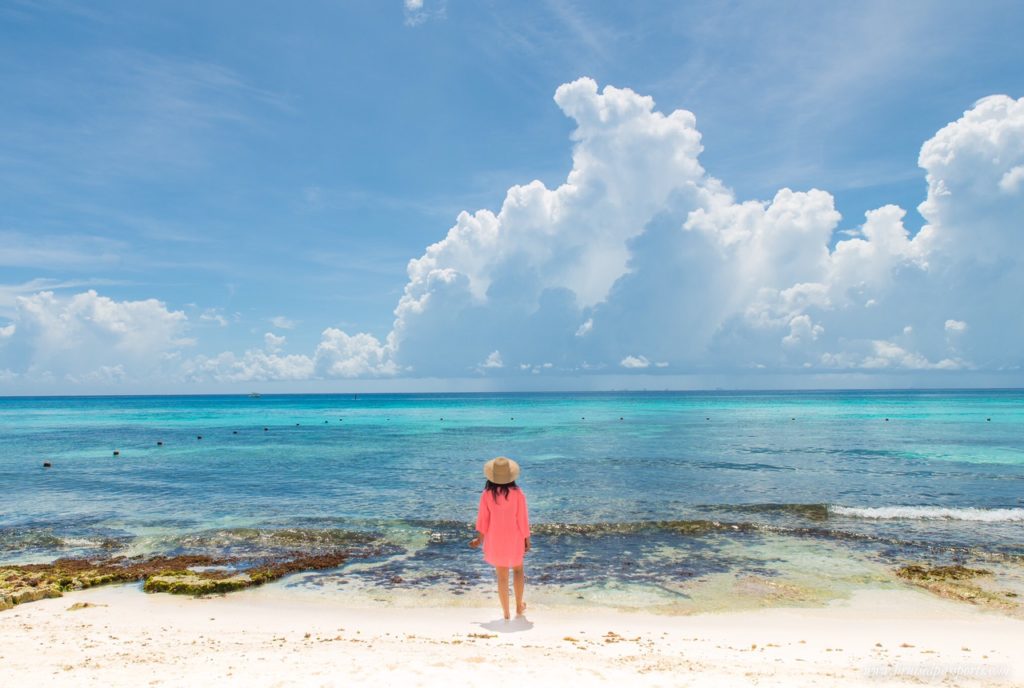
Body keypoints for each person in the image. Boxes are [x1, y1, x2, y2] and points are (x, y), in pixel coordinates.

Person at [469, 456, 531, 619]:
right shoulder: (518, 494)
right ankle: (519, 606)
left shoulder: (487, 494)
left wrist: (479, 539)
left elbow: (483, 519)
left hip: (495, 539)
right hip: (515, 537)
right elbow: (522, 518)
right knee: (518, 570)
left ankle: (506, 613)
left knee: (502, 576)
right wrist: (526, 538)